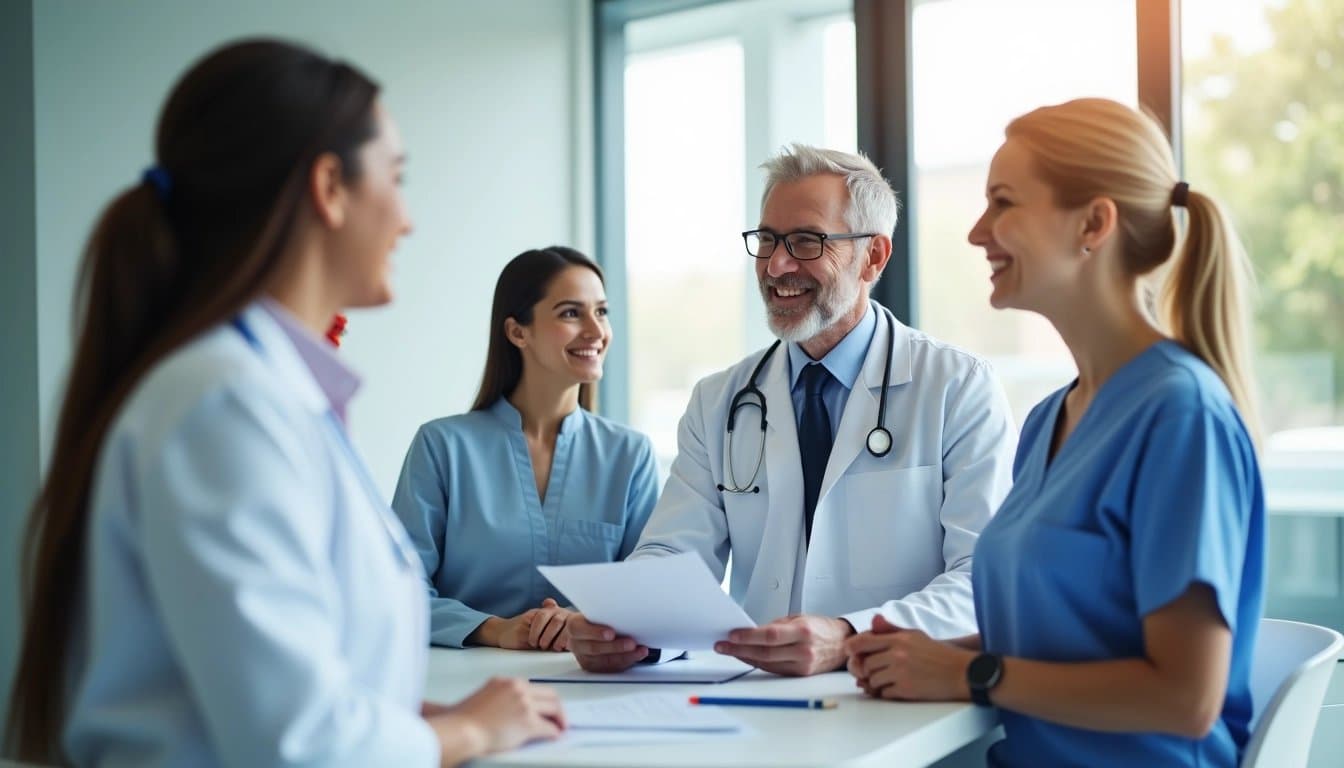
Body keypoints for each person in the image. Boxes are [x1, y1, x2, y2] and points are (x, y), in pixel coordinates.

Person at [2, 40, 564, 767]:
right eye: (396, 177)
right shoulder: (222, 405)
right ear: (329, 187)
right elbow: (296, 744)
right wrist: (469, 732)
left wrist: (406, 717)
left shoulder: (263, 393)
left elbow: (271, 685)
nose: (409, 218)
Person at [845, 98, 1265, 767]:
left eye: (1004, 202)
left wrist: (970, 676)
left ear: (1094, 223)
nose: (978, 232)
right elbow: (1075, 638)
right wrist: (923, 656)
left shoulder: (1179, 415)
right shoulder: (1049, 421)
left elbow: (1186, 698)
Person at [568, 144, 1017, 676]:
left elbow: (981, 579)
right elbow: (674, 557)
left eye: (806, 242)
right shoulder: (720, 401)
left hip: (896, 699)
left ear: (873, 256)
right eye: (767, 240)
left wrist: (849, 635)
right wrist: (629, 627)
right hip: (759, 702)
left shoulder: (957, 387)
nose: (777, 265)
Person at [391, 247, 660, 651]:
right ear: (518, 332)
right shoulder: (441, 447)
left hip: (592, 682)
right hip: (464, 684)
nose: (595, 330)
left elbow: (648, 590)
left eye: (601, 312)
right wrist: (495, 629)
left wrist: (581, 621)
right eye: (571, 313)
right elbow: (397, 589)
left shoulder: (630, 455)